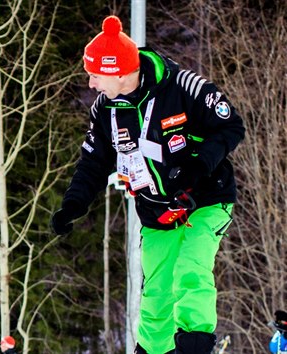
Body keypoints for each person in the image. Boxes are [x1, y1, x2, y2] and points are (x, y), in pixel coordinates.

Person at [50, 15, 245, 354]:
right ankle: (153, 351)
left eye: (96, 75)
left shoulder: (183, 87)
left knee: (191, 267)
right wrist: (74, 204)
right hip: (156, 211)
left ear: (119, 72)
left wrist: (198, 166)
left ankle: (195, 343)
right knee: (156, 294)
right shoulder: (106, 110)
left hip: (206, 198)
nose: (92, 84)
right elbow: (93, 162)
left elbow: (231, 127)